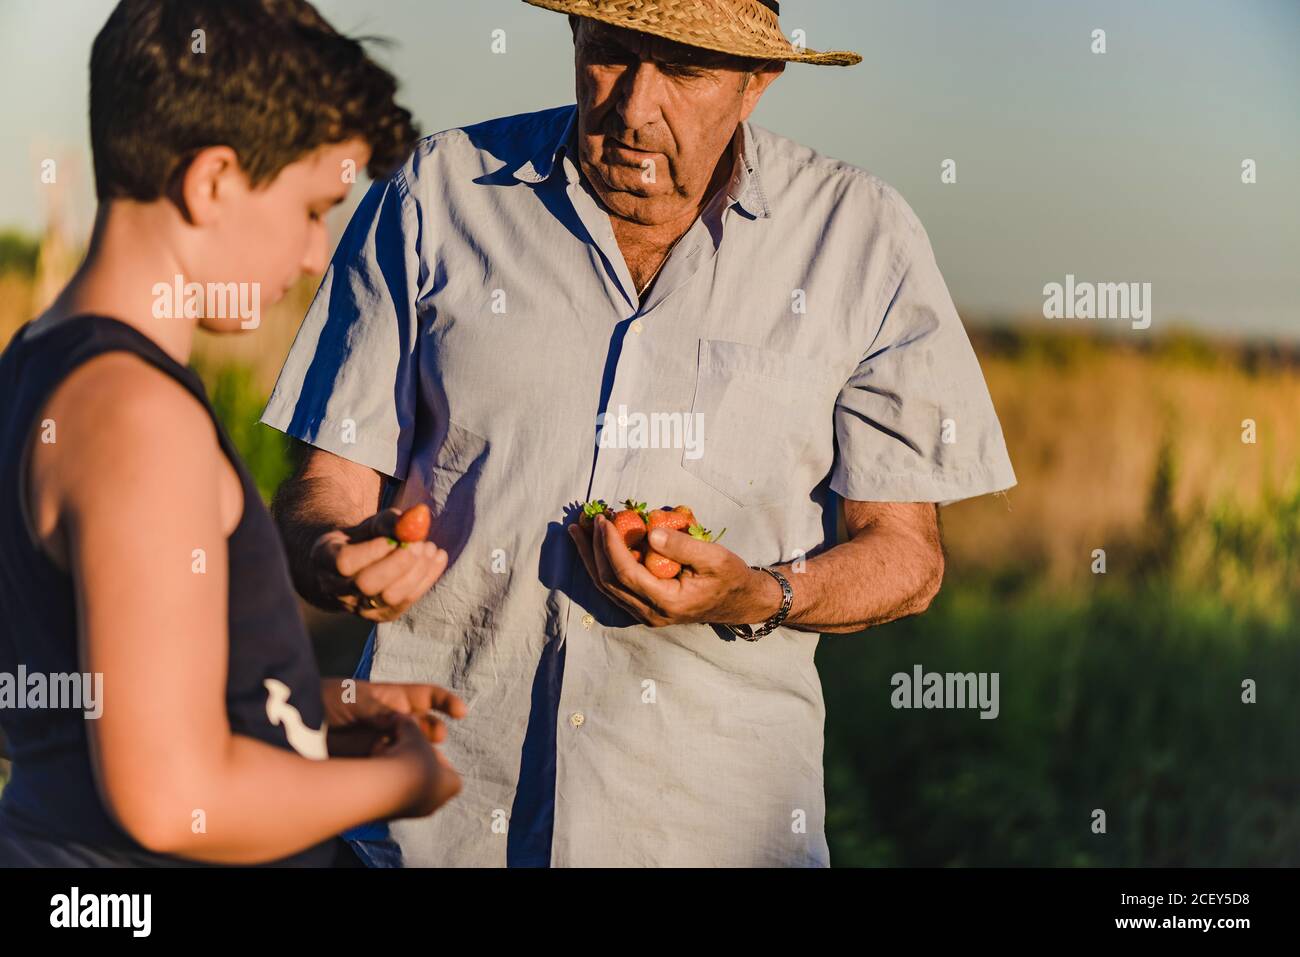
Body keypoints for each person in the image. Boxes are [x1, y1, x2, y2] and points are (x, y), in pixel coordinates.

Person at [263, 0, 1016, 867]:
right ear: (574, 38)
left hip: (713, 835)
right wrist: (332, 551)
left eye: (685, 70)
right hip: (435, 829)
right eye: (612, 54)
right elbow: (327, 484)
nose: (633, 108)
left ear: (756, 82)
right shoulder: (438, 194)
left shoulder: (860, 240)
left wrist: (757, 593)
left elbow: (905, 556)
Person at [0, 0, 464, 868]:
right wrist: (402, 783)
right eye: (314, 205)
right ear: (212, 180)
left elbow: (91, 699)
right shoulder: (140, 420)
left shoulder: (41, 363)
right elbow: (175, 800)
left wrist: (304, 706)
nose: (315, 254)